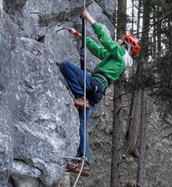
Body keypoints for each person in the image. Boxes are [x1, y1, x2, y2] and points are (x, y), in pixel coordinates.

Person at [60, 10, 141, 177]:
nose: (117, 41)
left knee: (66, 66)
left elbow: (104, 39)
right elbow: (96, 49)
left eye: (120, 40)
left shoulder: (120, 54)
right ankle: (85, 162)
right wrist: (77, 34)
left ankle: (80, 96)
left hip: (93, 85)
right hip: (96, 94)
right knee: (81, 124)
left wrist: (89, 18)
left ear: (125, 46)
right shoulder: (115, 57)